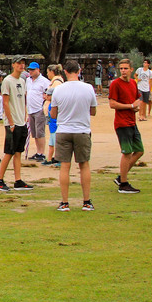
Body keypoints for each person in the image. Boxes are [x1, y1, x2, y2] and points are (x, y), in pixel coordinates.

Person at [50, 62, 97, 211]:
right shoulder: (88, 88)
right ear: (79, 70)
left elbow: (53, 113)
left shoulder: (58, 90)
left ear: (64, 71)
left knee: (65, 165)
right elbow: (93, 111)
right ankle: (86, 201)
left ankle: (64, 202)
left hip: (64, 130)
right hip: (82, 130)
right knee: (84, 164)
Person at [109, 60, 146, 195]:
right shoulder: (115, 84)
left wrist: (135, 107)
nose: (123, 71)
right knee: (127, 152)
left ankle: (121, 177)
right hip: (122, 123)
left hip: (132, 122)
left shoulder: (133, 83)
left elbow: (137, 99)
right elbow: (112, 104)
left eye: (125, 68)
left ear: (131, 69)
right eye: (121, 68)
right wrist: (130, 106)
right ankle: (123, 184)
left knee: (139, 150)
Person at [24, 63, 53, 165]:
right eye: (29, 70)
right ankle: (38, 151)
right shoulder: (28, 81)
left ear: (38, 70)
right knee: (35, 132)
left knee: (40, 132)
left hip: (39, 109)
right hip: (30, 109)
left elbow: (49, 93)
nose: (30, 72)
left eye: (32, 70)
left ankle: (41, 152)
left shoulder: (44, 81)